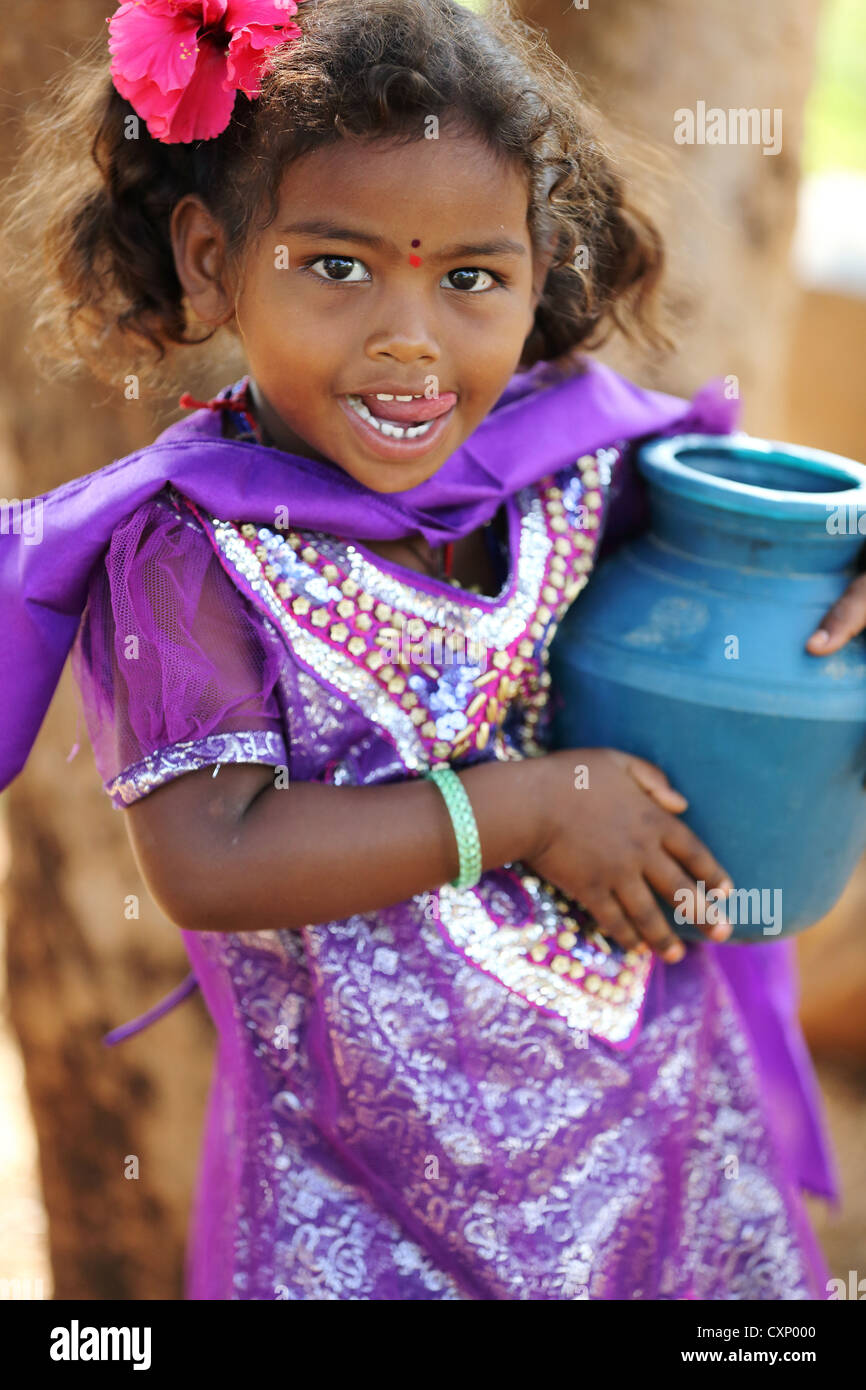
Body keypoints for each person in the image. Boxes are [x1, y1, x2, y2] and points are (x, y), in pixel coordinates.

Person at [2, 0, 861, 1300]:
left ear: (534, 270)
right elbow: (208, 855)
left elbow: (779, 536)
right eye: (336, 266)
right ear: (207, 258)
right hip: (372, 1200)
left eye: (468, 277)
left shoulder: (567, 462)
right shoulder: (192, 551)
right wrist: (525, 805)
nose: (408, 334)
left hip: (659, 1134)